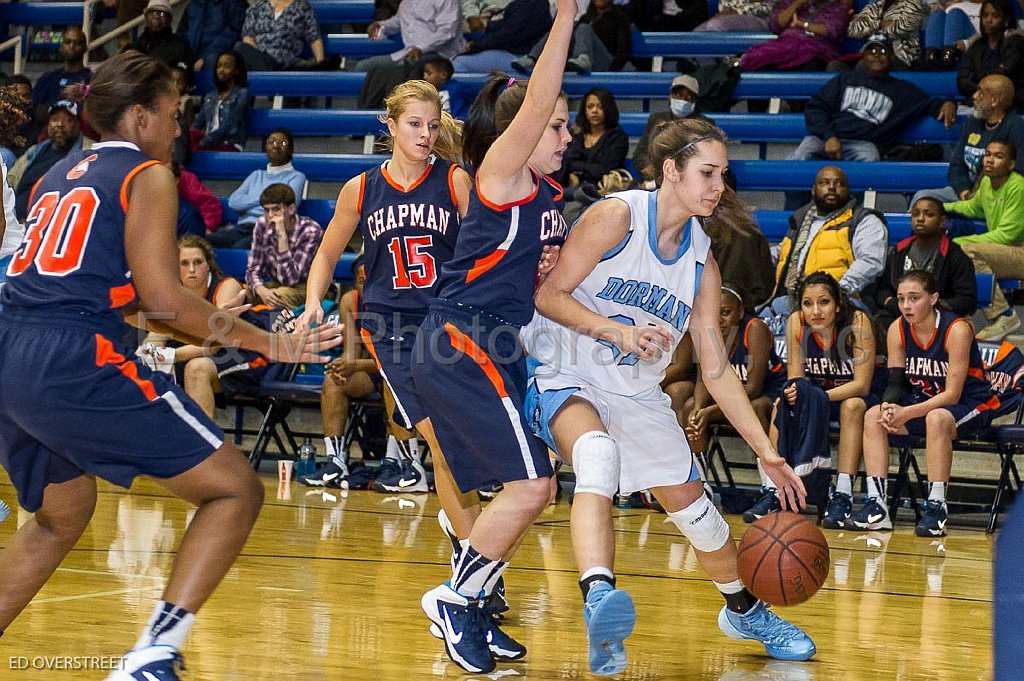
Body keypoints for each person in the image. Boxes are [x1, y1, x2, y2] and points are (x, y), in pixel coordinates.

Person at [0, 51, 339, 681]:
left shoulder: (55, 176)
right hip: (70, 355)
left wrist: (188, 328)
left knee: (61, 514)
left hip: (9, 349)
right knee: (235, 488)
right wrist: (270, 344)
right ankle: (154, 654)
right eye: (172, 113)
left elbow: (125, 301)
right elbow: (164, 298)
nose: (179, 127)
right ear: (138, 115)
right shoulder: (147, 173)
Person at [523, 118, 815, 675]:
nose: (716, 186)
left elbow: (717, 368)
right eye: (707, 172)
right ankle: (599, 603)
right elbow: (548, 295)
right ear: (670, 171)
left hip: (636, 391)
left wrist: (765, 452)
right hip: (566, 372)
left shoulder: (701, 257)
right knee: (596, 457)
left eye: (723, 175)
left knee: (702, 518)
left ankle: (744, 610)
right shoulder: (617, 215)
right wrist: (619, 332)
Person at [408, 0, 574, 672]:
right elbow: (537, 97)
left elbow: (544, 293)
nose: (565, 135)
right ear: (522, 131)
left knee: (526, 487)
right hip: (460, 340)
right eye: (556, 126)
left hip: (489, 348)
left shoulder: (544, 198)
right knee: (534, 487)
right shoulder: (500, 175)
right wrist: (564, 18)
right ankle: (456, 597)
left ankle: (470, 605)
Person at [295, 78, 473, 510]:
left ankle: (467, 536)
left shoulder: (454, 180)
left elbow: (482, 251)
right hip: (388, 322)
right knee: (439, 436)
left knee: (449, 437)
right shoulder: (360, 189)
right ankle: (471, 544)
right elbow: (325, 255)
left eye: (432, 126)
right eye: (414, 124)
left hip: (444, 319)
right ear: (390, 126)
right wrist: (314, 302)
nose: (425, 135)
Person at [849, 269, 998, 536]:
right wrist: (889, 407)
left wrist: (906, 412)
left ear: (933, 298)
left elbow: (952, 395)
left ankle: (937, 507)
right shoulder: (897, 328)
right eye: (901, 298)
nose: (906, 305)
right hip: (926, 403)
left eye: (914, 298)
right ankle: (877, 506)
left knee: (937, 418)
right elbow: (895, 384)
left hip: (972, 406)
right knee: (873, 416)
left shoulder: (957, 329)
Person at [755, 271, 884, 527]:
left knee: (852, 406)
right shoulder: (796, 323)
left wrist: (816, 397)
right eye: (808, 303)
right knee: (781, 403)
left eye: (823, 302)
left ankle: (843, 493)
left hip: (856, 397)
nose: (815, 311)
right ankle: (774, 489)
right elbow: (795, 379)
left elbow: (861, 385)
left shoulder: (857, 322)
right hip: (820, 398)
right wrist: (794, 393)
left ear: (837, 305)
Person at [787, 32, 957, 169]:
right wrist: (828, 136)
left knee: (870, 159)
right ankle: (793, 210)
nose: (877, 56)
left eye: (883, 51)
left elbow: (931, 104)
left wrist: (949, 103)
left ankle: (856, 211)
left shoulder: (904, 91)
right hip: (826, 138)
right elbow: (816, 107)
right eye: (871, 51)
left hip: (864, 144)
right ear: (864, 56)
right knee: (801, 156)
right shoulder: (844, 79)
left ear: (891, 56)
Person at [683, 286, 787, 479]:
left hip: (768, 393)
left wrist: (709, 412)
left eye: (726, 312)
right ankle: (701, 484)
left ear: (739, 312)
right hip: (729, 399)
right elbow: (703, 380)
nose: (719, 319)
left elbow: (753, 389)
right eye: (714, 313)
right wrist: (698, 410)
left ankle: (770, 486)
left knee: (755, 408)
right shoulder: (706, 332)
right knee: (690, 408)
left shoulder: (754, 328)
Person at [769, 166, 888, 315]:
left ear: (848, 190)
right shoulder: (802, 220)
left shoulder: (864, 220)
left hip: (844, 302)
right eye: (825, 183)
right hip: (792, 298)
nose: (832, 187)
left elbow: (870, 262)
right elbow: (784, 252)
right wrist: (756, 252)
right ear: (813, 190)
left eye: (839, 184)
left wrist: (836, 292)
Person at [944, 139, 1024, 340]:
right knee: (956, 255)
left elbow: (1006, 235)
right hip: (1007, 251)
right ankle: (955, 319)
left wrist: (960, 242)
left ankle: (1004, 315)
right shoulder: (987, 182)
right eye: (988, 154)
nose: (989, 160)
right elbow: (972, 207)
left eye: (998, 156)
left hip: (1019, 250)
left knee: (965, 251)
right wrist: (940, 208)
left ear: (1011, 164)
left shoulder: (1019, 188)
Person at [912, 74, 1024, 206]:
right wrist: (963, 191)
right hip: (965, 192)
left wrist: (981, 194)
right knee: (922, 199)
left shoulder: (1016, 128)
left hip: (996, 196)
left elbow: (1018, 171)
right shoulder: (973, 123)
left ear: (994, 100)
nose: (974, 96)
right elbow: (956, 165)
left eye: (980, 93)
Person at [874, 197, 977, 331]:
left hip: (939, 317)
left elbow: (967, 300)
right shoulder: (899, 250)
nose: (921, 218)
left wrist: (932, 306)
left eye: (929, 214)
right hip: (900, 314)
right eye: (916, 214)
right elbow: (882, 288)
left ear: (942, 221)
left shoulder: (955, 255)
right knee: (877, 324)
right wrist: (891, 302)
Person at [210, 128, 307, 248]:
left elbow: (288, 204)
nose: (275, 146)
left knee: (240, 247)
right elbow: (233, 202)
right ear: (265, 148)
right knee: (208, 241)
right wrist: (266, 200)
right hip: (244, 228)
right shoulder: (256, 175)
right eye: (271, 142)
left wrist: (248, 207)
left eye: (282, 143)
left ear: (290, 149)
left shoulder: (297, 176)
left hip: (271, 228)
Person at [9, 100, 95, 221]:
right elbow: (10, 180)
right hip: (13, 220)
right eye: (55, 119)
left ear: (77, 125)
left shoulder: (89, 152)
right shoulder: (35, 151)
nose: (60, 124)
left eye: (67, 120)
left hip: (50, 222)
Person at [244, 183, 323, 309]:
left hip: (307, 287)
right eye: (266, 210)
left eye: (276, 209)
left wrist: (282, 237)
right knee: (240, 292)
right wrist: (260, 289)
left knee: (279, 296)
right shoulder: (262, 224)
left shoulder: (310, 230)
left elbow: (291, 280)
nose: (270, 215)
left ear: (291, 209)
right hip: (275, 284)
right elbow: (253, 268)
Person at [632, 75, 715, 187]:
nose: (683, 100)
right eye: (678, 95)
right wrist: (648, 167)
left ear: (695, 101)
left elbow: (708, 158)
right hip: (657, 177)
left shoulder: (704, 124)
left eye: (688, 97)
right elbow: (640, 154)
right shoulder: (656, 119)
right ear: (670, 97)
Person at [555, 86, 629, 202]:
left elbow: (603, 169)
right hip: (572, 191)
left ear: (608, 109)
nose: (594, 111)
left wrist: (576, 169)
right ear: (584, 110)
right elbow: (564, 163)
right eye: (590, 107)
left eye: (600, 106)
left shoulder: (618, 138)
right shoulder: (575, 135)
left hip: (603, 192)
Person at [739, 0, 851, 73]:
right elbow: (776, 24)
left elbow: (831, 30)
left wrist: (800, 24)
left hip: (817, 50)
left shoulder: (838, 7)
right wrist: (797, 3)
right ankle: (757, 109)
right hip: (786, 46)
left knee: (810, 66)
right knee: (759, 63)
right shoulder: (792, 3)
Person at [360, 0, 465, 73]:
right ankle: (371, 104)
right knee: (364, 66)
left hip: (441, 54)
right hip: (411, 53)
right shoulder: (407, 2)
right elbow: (397, 22)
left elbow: (447, 32)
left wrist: (420, 47)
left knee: (402, 68)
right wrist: (381, 25)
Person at [451, 0, 553, 73]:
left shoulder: (531, 4)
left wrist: (476, 45)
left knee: (455, 65)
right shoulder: (527, 4)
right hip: (513, 51)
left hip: (520, 59)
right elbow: (507, 28)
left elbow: (506, 37)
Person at [956, 0, 1024, 110]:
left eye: (995, 16)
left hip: (1008, 104)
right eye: (985, 15)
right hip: (977, 102)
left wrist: (976, 81)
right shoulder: (976, 46)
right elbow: (962, 82)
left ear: (1006, 20)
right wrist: (984, 86)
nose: (988, 20)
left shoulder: (1015, 43)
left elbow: (1004, 76)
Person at [234, 0, 325, 71]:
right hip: (262, 57)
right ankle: (270, 74)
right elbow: (248, 36)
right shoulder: (257, 7)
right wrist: (258, 55)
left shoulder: (303, 7)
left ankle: (272, 77)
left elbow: (314, 37)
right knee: (239, 47)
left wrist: (320, 63)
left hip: (287, 59)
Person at [31, 26, 91, 129]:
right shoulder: (48, 79)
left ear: (85, 48)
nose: (72, 46)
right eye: (68, 42)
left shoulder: (93, 80)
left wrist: (84, 95)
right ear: (61, 47)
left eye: (78, 43)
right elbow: (35, 112)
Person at [842, 0, 929, 70]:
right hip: (871, 52)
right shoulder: (874, 6)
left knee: (863, 66)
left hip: (900, 57)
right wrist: (880, 24)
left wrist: (871, 24)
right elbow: (853, 29)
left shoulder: (914, 4)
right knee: (836, 65)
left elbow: (902, 27)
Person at [191, 51, 250, 152]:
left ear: (236, 70)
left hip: (229, 142)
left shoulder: (242, 94)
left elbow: (230, 124)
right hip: (208, 142)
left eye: (226, 66)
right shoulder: (211, 95)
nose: (221, 70)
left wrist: (206, 140)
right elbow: (198, 122)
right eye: (219, 66)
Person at [126, 0, 197, 71]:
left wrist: (179, 71)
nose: (157, 17)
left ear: (169, 20)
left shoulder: (179, 47)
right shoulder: (136, 47)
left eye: (162, 14)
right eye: (153, 13)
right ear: (146, 17)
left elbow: (185, 65)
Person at [923, 0, 984, 69]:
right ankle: (931, 59)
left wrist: (967, 43)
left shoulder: (990, 7)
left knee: (955, 14)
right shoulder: (954, 5)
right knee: (937, 14)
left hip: (975, 46)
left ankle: (949, 59)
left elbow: (992, 34)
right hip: (950, 47)